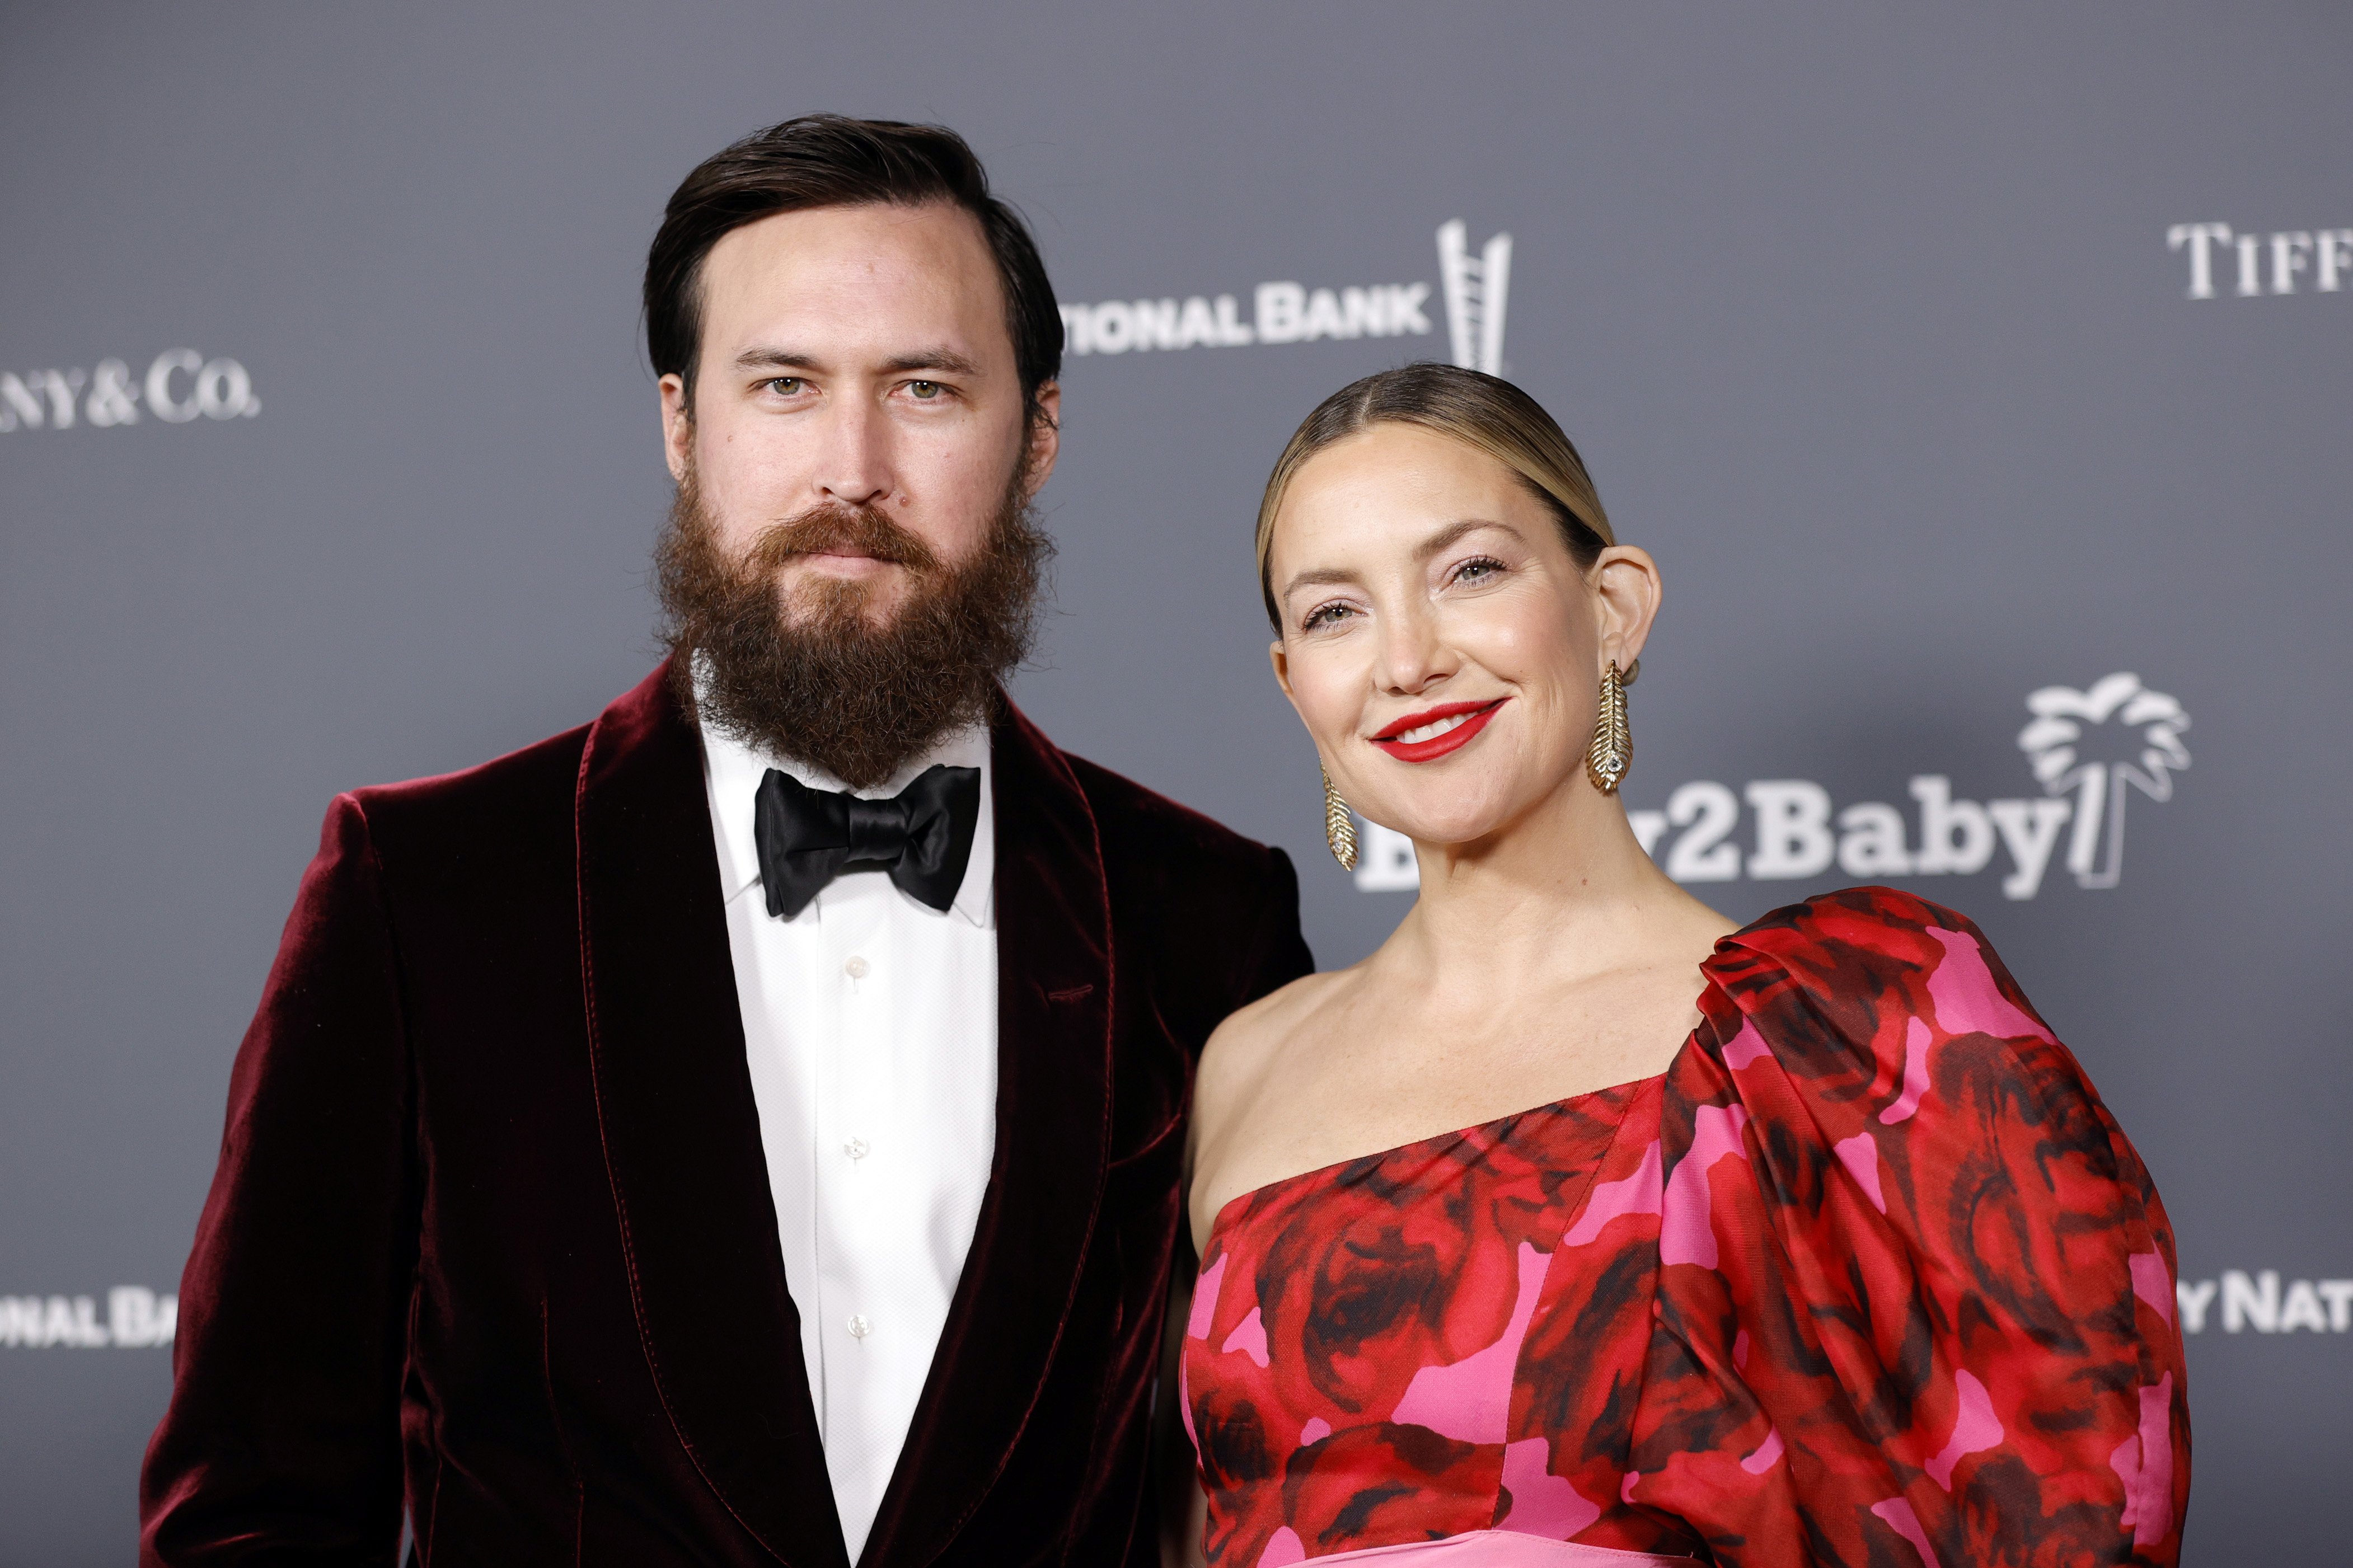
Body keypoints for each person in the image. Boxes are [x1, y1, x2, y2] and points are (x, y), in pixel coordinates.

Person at [139, 115, 1311, 1567]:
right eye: (784, 386)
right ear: (683, 426)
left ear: (1039, 434)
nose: (851, 469)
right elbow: (251, 1504)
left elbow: (1265, 1482)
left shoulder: (1209, 918)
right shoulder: (424, 892)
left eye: (926, 388)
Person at [1178, 365, 2188, 1567]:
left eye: (1470, 572)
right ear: (1294, 684)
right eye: (1333, 612)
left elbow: (2078, 1500)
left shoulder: (1848, 1024)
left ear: (1611, 606)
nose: (1406, 659)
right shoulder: (1245, 1063)